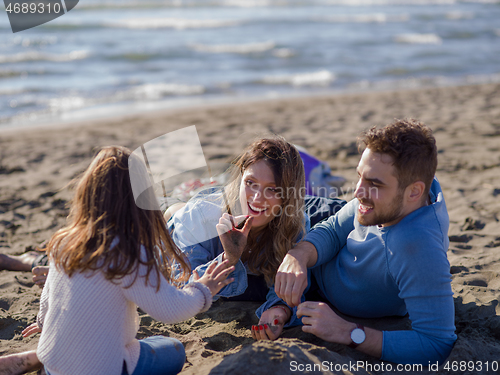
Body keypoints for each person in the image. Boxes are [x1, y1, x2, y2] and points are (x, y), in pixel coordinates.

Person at [0, 146, 234, 375]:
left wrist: (43, 322)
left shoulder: (64, 242)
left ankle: (38, 357)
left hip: (54, 365)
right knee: (173, 349)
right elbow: (171, 310)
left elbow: (48, 297)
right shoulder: (129, 254)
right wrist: (203, 289)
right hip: (104, 369)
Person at [255, 119, 456, 365]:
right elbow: (332, 230)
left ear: (414, 192)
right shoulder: (398, 198)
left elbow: (436, 344)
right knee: (236, 210)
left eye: (374, 184)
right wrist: (298, 255)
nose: (357, 191)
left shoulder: (418, 249)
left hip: (322, 281)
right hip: (319, 220)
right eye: (360, 177)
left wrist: (347, 332)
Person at [167, 136, 345, 339]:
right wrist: (228, 258)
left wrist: (279, 310)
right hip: (177, 222)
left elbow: (287, 284)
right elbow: (183, 290)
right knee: (172, 211)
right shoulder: (199, 216)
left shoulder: (293, 222)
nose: (257, 198)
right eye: (250, 183)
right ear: (240, 177)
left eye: (273, 189)